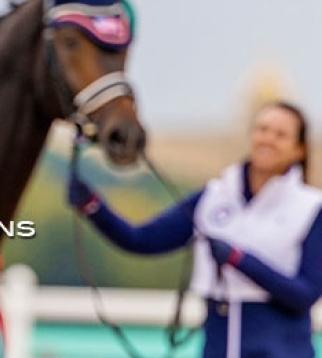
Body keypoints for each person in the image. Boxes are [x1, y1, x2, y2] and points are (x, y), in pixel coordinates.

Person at [68, 100, 322, 358]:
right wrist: (93, 206)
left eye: (280, 134)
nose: (268, 139)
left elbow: (306, 294)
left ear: (299, 149)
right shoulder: (214, 196)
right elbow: (143, 239)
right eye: (263, 129)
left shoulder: (311, 208)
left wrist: (238, 259)